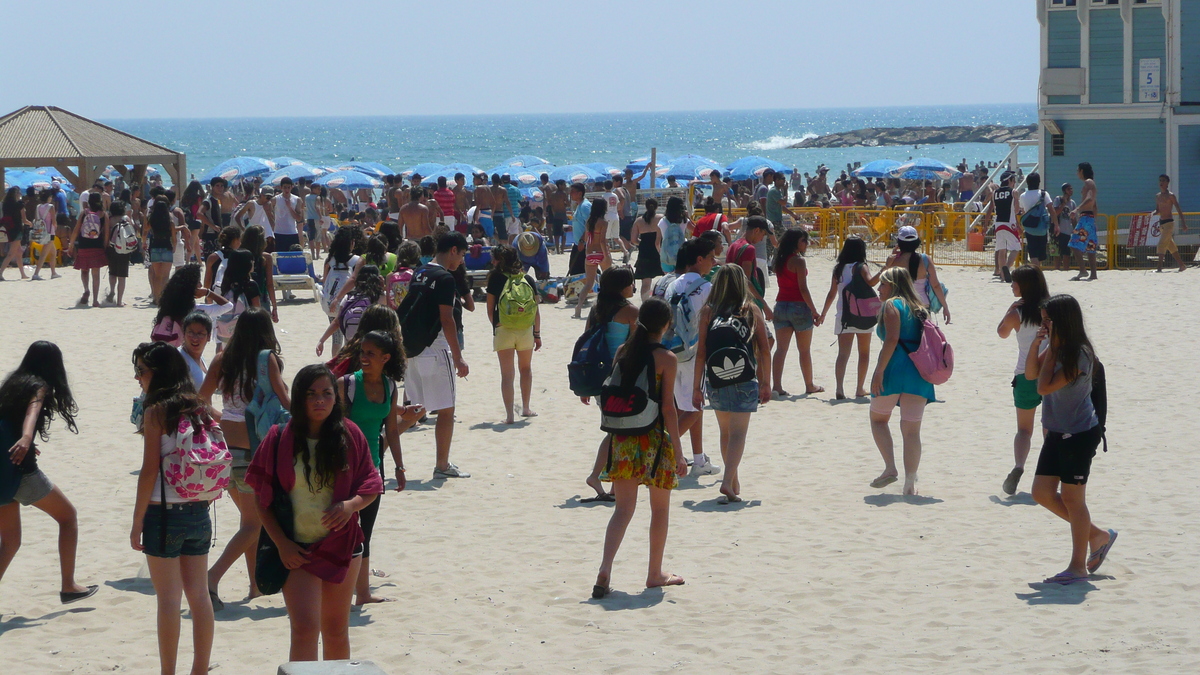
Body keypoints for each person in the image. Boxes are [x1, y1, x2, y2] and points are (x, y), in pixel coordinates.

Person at [245, 364, 383, 662]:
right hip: (297, 549)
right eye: (311, 394)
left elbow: (371, 485)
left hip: (343, 545)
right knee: (305, 629)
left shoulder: (351, 434)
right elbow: (261, 498)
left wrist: (350, 506)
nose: (319, 400)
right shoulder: (278, 437)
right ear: (298, 398)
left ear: (336, 397)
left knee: (335, 630)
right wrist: (282, 544)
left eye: (326, 393)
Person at [129, 343, 220, 675]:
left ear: (159, 373)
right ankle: (200, 669)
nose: (137, 377)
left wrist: (137, 521)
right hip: (199, 511)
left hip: (163, 512)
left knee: (168, 599)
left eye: (142, 370)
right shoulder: (199, 408)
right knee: (199, 595)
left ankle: (168, 672)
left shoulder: (156, 412)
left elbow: (149, 471)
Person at [592, 298, 687, 599]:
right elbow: (669, 409)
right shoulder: (667, 358)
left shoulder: (623, 351)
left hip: (622, 438)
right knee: (659, 508)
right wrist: (680, 451)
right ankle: (654, 574)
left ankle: (605, 569)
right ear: (666, 325)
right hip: (654, 440)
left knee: (622, 510)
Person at [199, 308, 290, 610]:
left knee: (249, 521)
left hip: (227, 451)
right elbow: (285, 400)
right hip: (256, 451)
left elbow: (200, 400)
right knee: (253, 524)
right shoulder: (267, 360)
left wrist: (221, 417)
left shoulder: (222, 359)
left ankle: (255, 586)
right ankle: (210, 579)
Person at [1026, 294, 1116, 584]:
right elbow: (1030, 373)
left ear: (1063, 321)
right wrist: (1037, 345)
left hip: (1079, 434)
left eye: (1048, 321)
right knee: (1041, 492)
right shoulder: (1057, 346)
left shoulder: (1079, 354)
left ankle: (1078, 566)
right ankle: (1097, 535)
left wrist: (1050, 351)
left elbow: (1043, 387)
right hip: (1056, 432)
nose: (1045, 325)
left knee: (1073, 500)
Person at [0, 341, 97, 604]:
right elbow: (32, 411)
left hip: (2, 473)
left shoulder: (12, 384)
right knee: (68, 518)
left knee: (10, 541)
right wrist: (26, 438)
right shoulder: (39, 386)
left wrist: (24, 442)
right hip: (22, 475)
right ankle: (68, 585)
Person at [337, 331, 423, 606]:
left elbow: (392, 430)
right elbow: (333, 429)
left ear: (386, 358)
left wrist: (399, 466)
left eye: (370, 354)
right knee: (338, 530)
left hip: (372, 470)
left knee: (365, 533)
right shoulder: (346, 385)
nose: (363, 358)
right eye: (362, 352)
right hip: (343, 470)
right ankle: (336, 590)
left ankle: (362, 594)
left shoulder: (389, 386)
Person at [692, 264, 770, 504]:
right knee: (738, 433)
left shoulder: (708, 311)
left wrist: (697, 387)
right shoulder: (750, 309)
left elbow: (701, 352)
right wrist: (767, 383)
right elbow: (764, 350)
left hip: (716, 378)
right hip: (744, 377)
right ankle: (728, 481)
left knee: (725, 432)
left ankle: (733, 481)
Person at [397, 232, 471, 478]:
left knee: (415, 411)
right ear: (452, 250)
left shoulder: (420, 271)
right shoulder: (445, 278)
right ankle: (442, 466)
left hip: (411, 350)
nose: (460, 261)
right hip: (435, 349)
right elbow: (447, 320)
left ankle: (378, 448)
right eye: (461, 255)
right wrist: (459, 357)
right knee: (447, 410)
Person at [868, 268, 935, 495]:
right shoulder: (920, 308)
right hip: (919, 373)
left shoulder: (891, 305)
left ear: (893, 285)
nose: (879, 288)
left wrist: (879, 371)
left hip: (894, 369)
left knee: (878, 420)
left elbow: (892, 339)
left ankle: (890, 468)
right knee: (912, 430)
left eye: (883, 284)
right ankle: (909, 483)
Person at [662, 238, 720, 476]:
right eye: (711, 257)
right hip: (694, 352)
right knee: (695, 409)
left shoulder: (672, 286)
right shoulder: (706, 288)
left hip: (671, 350)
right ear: (699, 260)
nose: (714, 262)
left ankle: (698, 459)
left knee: (685, 406)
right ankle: (662, 448)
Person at [581, 267, 640, 501]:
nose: (633, 287)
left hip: (598, 378)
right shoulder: (630, 311)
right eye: (630, 283)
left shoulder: (596, 309)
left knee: (617, 429)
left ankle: (616, 485)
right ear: (621, 287)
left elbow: (585, 343)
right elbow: (637, 345)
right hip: (621, 377)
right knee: (617, 430)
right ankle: (596, 475)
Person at [996, 265, 1050, 496]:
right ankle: (1048, 472)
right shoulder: (1051, 310)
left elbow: (1002, 332)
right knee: (1050, 429)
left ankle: (1019, 466)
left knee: (1024, 430)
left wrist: (1010, 309)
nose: (1011, 285)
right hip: (1050, 373)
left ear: (1024, 286)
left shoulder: (1017, 312)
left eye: (1014, 282)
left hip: (1025, 374)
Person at [485, 245, 542, 424]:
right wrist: (537, 334)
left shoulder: (495, 278)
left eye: (494, 258)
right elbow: (536, 311)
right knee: (526, 369)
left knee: (507, 375)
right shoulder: (528, 278)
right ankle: (525, 408)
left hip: (504, 330)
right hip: (526, 329)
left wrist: (497, 326)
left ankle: (510, 415)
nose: (492, 262)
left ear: (500, 260)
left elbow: (489, 309)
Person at [819, 237, 878, 400]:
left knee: (843, 353)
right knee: (864, 352)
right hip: (862, 313)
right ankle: (859, 388)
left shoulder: (838, 269)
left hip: (843, 315)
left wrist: (823, 313)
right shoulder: (861, 267)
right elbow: (871, 282)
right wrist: (886, 267)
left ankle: (839, 388)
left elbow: (832, 293)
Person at [771, 229, 823, 396]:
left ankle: (777, 386)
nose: (806, 244)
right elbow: (803, 289)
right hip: (799, 307)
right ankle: (809, 385)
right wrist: (814, 311)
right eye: (804, 240)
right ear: (796, 242)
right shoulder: (799, 261)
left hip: (781, 305)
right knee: (804, 350)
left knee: (781, 349)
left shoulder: (779, 259)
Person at [887, 226, 951, 323]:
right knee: (923, 336)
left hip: (900, 304)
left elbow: (887, 283)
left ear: (899, 243)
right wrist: (945, 307)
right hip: (922, 304)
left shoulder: (893, 261)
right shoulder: (925, 259)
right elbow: (936, 285)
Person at [317, 266, 385, 355]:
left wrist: (322, 341)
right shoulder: (381, 297)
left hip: (351, 346)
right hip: (372, 346)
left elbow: (337, 322)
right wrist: (382, 287)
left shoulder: (349, 297)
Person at [321, 228, 362, 354]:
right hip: (348, 302)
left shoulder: (330, 261)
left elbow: (324, 282)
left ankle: (334, 365)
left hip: (329, 302)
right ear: (351, 243)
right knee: (349, 337)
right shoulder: (357, 260)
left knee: (336, 338)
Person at [725, 216, 774, 319]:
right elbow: (746, 280)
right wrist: (764, 306)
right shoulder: (749, 249)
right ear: (757, 230)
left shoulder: (734, 245)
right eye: (763, 235)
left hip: (730, 298)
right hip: (744, 302)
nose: (761, 239)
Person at [67, 192, 110, 307]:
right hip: (97, 246)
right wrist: (105, 247)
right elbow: (106, 234)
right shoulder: (103, 214)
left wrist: (71, 245)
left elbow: (76, 230)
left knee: (84, 270)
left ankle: (86, 289)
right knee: (96, 274)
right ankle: (95, 300)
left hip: (84, 245)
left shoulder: (84, 213)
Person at [575, 199, 611, 320]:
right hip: (601, 253)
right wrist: (606, 256)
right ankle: (604, 307)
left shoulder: (589, 222)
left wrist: (587, 254)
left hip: (590, 254)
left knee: (589, 283)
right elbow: (602, 241)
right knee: (606, 283)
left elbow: (586, 239)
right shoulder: (603, 222)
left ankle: (579, 307)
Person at [1017, 172, 1057, 269]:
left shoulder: (1023, 196)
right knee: (1041, 254)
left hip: (1029, 227)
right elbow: (1051, 209)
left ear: (1027, 183)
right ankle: (1038, 271)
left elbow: (1022, 211)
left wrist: (1019, 225)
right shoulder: (1043, 194)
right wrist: (1056, 224)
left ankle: (1036, 271)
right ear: (1038, 182)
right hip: (1042, 227)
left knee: (1033, 253)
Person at [1069, 163, 1100, 281]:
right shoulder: (1091, 183)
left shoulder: (1088, 183)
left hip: (1086, 217)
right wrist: (1095, 221)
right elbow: (1095, 205)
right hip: (1090, 218)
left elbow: (1090, 198)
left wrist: (1077, 209)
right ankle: (1093, 274)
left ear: (1081, 171)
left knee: (1073, 243)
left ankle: (1083, 270)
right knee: (1090, 246)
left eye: (1078, 170)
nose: (1077, 172)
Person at [989, 172, 1020, 283]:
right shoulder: (1013, 192)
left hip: (998, 223)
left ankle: (1002, 274)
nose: (1014, 183)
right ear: (1010, 180)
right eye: (1013, 180)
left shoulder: (994, 193)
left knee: (1001, 249)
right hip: (1009, 223)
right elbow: (1016, 210)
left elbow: (995, 208)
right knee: (1016, 248)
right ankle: (1006, 268)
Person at [1154, 174, 1188, 273]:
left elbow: (1178, 209)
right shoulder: (1158, 196)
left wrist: (1183, 223)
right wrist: (1152, 213)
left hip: (1169, 222)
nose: (1161, 182)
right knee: (1170, 245)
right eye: (1160, 180)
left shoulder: (1171, 196)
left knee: (1161, 244)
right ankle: (1182, 265)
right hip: (1162, 223)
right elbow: (1157, 210)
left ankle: (1159, 268)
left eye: (1163, 180)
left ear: (1167, 183)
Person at [631, 198, 663, 299]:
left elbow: (633, 239)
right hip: (659, 251)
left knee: (645, 283)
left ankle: (645, 303)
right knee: (666, 278)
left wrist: (643, 243)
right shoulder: (661, 218)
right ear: (656, 207)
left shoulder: (639, 221)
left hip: (644, 252)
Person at [104, 201, 134, 306]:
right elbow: (131, 233)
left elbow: (107, 234)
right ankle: (120, 301)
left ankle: (112, 291)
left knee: (112, 272)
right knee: (122, 276)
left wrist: (105, 247)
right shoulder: (126, 219)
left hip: (112, 248)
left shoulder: (110, 219)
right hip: (124, 249)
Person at [29, 190, 60, 280]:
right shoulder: (51, 206)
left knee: (53, 252)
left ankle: (53, 273)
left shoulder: (38, 206)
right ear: (48, 197)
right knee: (44, 253)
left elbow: (36, 219)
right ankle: (36, 273)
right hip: (49, 232)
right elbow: (54, 221)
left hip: (41, 231)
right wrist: (55, 228)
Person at [0, 187, 29, 280]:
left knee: (19, 252)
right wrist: (31, 223)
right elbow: (24, 220)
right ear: (17, 194)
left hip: (9, 229)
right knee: (11, 253)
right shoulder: (19, 205)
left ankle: (23, 274)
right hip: (17, 230)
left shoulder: (5, 204)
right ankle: (0, 272)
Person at [178, 312, 212, 390]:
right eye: (190, 333)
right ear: (183, 334)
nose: (195, 338)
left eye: (200, 334)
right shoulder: (179, 359)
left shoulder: (200, 358)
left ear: (209, 337)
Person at [271, 177, 305, 254]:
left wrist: (289, 207)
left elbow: (299, 218)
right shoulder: (275, 199)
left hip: (292, 232)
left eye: (288, 187)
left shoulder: (297, 200)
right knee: (279, 256)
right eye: (285, 187)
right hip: (278, 232)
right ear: (281, 188)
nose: (287, 190)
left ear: (291, 187)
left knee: (293, 256)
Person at [658, 197, 690, 275]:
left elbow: (657, 242)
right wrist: (687, 216)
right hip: (682, 256)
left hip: (667, 257)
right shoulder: (684, 221)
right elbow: (696, 229)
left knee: (668, 280)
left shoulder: (662, 222)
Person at [1050, 183, 1077, 271]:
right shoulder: (1058, 199)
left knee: (1067, 253)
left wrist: (1076, 229)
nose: (1071, 191)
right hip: (1058, 230)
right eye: (1069, 189)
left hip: (1068, 231)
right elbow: (1055, 213)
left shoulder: (1072, 203)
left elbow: (1073, 219)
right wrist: (1063, 204)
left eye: (1071, 189)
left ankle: (1066, 270)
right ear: (1064, 190)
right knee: (1057, 253)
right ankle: (1057, 269)